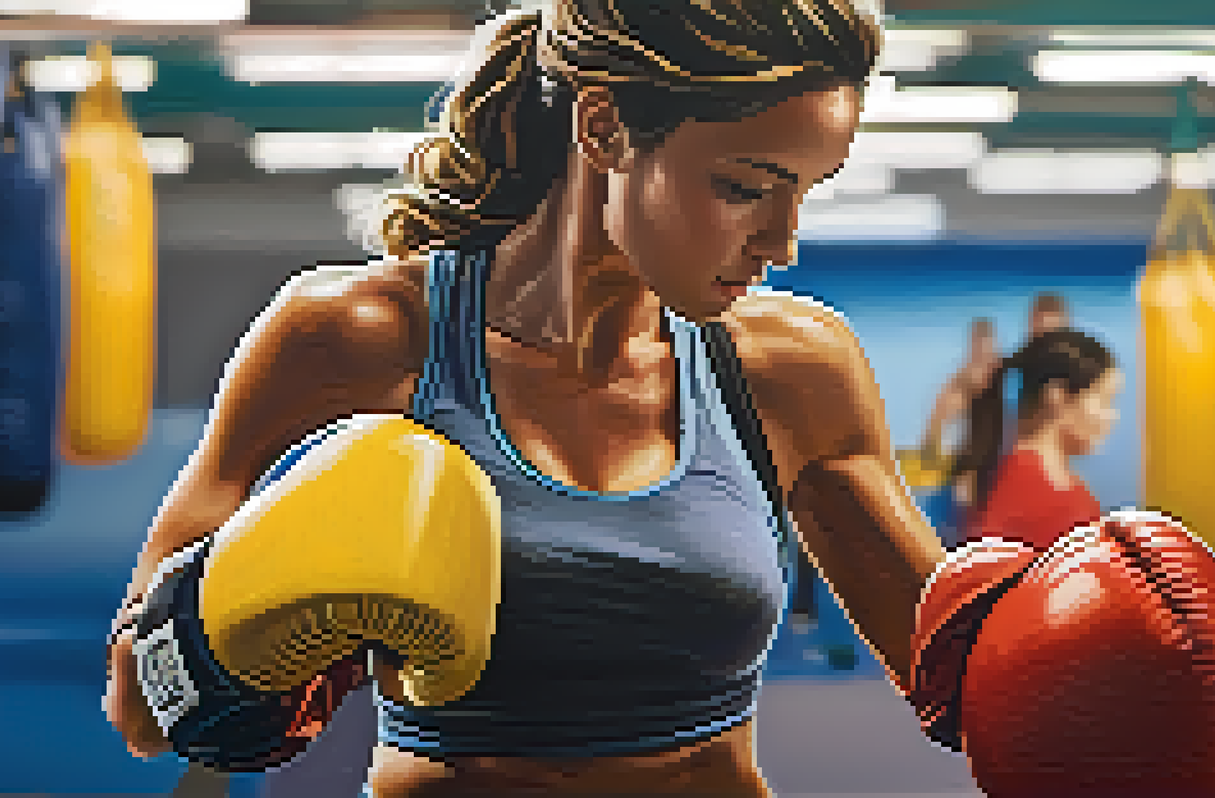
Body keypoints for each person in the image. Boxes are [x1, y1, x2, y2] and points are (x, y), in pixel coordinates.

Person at [106, 2, 949, 796]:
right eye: (743, 187)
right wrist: (230, 649)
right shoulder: (358, 338)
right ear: (605, 128)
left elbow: (961, 680)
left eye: (807, 189)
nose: (782, 241)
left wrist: (1067, 621)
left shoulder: (790, 369)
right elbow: (141, 707)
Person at [950, 328, 1121, 551]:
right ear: (1056, 396)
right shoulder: (1027, 487)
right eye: (1105, 400)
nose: (1113, 416)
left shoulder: (1069, 490)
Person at [915, 317, 999, 547]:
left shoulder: (1001, 392)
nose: (984, 365)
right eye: (979, 354)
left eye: (988, 355)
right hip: (956, 490)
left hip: (980, 486)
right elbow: (930, 441)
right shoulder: (955, 390)